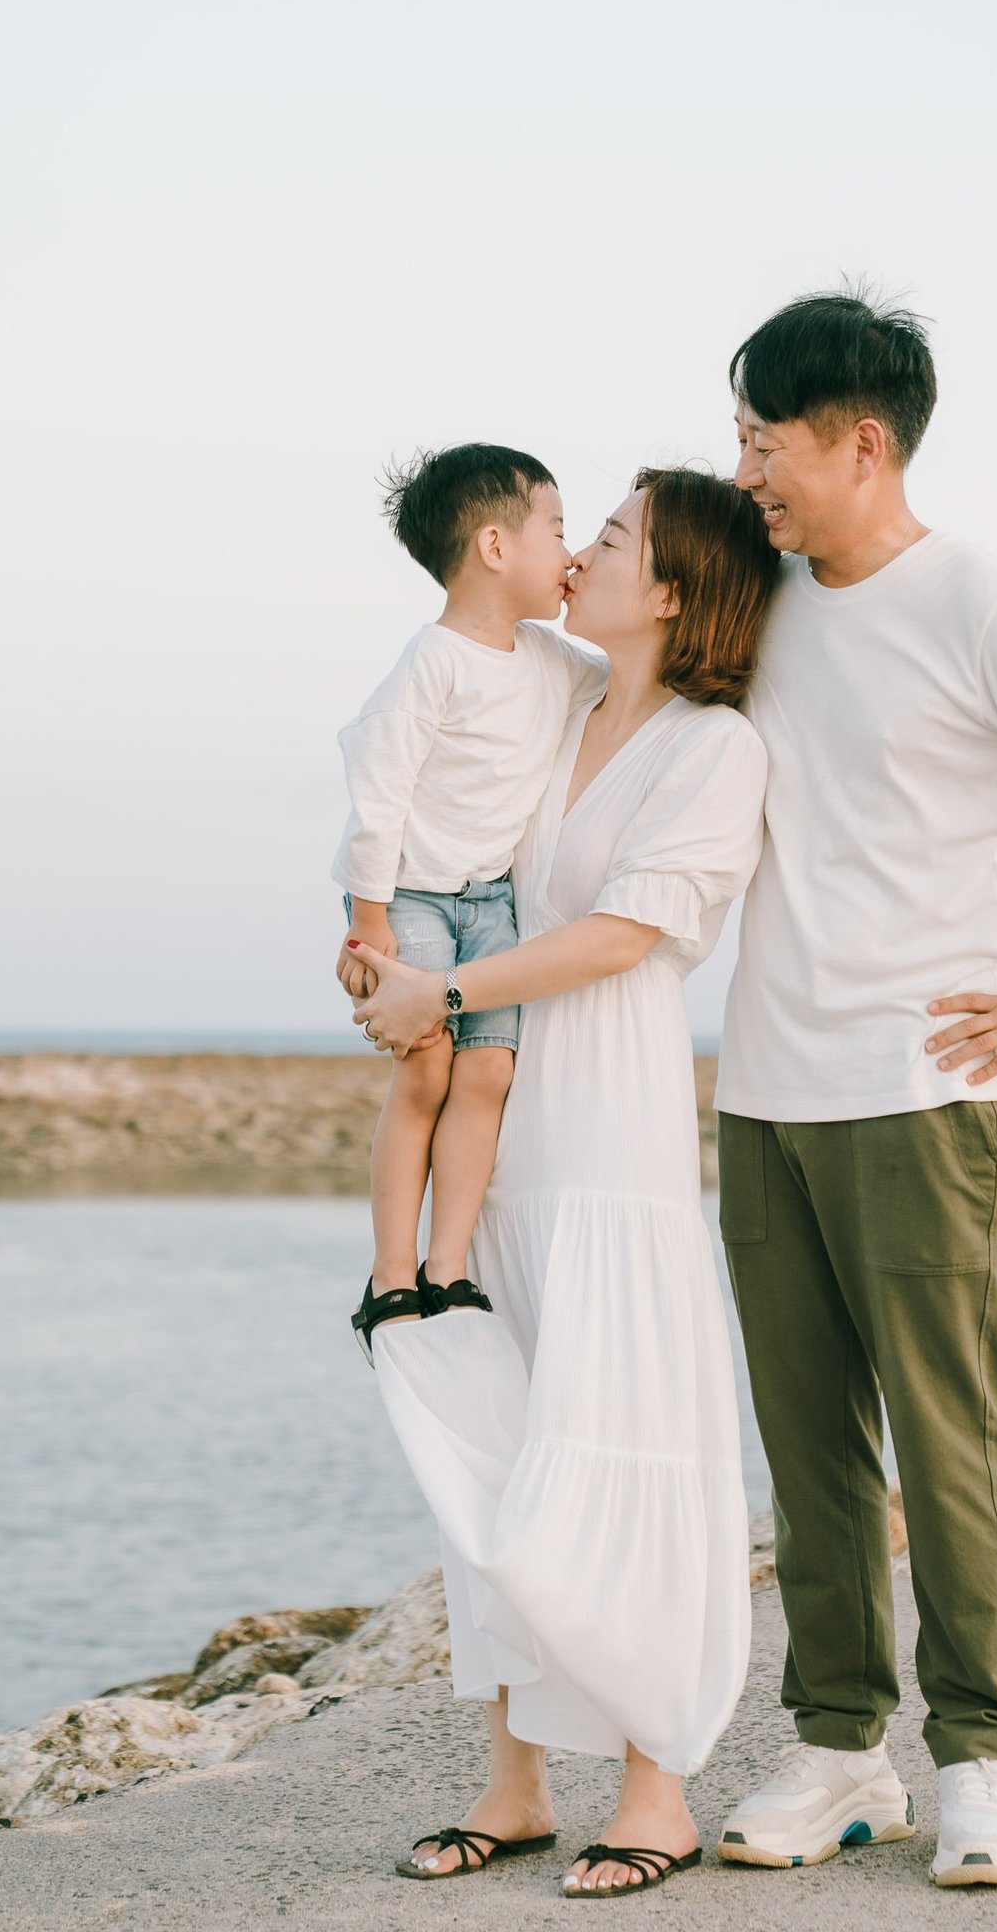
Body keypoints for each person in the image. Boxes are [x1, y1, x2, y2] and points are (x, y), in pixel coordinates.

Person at [713, 289, 997, 1890]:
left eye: (767, 442)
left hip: (923, 1086)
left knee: (947, 1428)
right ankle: (843, 1749)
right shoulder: (759, 598)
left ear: (863, 440)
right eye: (740, 442)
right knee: (806, 1439)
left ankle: (980, 1763)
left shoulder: (982, 598)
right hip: (765, 1086)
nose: (750, 470)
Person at [344, 467, 778, 1898]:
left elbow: (624, 931)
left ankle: (657, 1784)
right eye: (573, 529)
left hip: (609, 1141)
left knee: (622, 1435)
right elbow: (424, 819)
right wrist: (380, 956)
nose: (578, 549)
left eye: (611, 537)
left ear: (671, 589)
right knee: (492, 1442)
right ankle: (514, 1782)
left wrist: (443, 987)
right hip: (502, 1133)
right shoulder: (542, 695)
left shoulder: (713, 747)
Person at [331, 444, 603, 1360]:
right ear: (494, 544)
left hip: (491, 901)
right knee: (425, 1072)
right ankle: (390, 1267)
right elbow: (379, 794)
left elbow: (625, 685)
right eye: (558, 530)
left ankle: (451, 1263)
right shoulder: (433, 664)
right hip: (406, 895)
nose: (570, 552)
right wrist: (368, 924)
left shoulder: (551, 659)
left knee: (487, 1074)